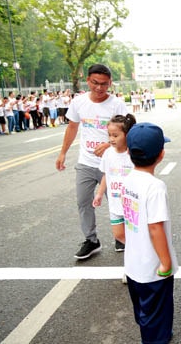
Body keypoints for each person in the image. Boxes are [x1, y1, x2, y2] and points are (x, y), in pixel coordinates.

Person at [56, 64, 129, 260]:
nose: (99, 88)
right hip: (86, 162)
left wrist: (108, 144)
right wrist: (63, 152)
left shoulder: (117, 104)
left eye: (104, 84)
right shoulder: (79, 102)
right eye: (95, 83)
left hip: (113, 163)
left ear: (110, 83)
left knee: (120, 202)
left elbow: (128, 130)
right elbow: (72, 128)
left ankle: (122, 237)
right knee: (83, 202)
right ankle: (91, 240)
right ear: (87, 80)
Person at [121, 122, 178, 344]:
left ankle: (155, 332)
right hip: (153, 267)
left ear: (128, 152)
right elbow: (155, 227)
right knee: (157, 313)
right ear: (161, 154)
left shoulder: (128, 180)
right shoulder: (155, 186)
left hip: (133, 263)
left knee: (144, 310)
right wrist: (166, 262)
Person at [93, 114, 137, 253]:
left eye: (115, 135)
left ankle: (138, 257)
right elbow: (106, 174)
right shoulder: (108, 154)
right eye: (109, 135)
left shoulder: (133, 154)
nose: (111, 139)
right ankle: (136, 252)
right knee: (119, 235)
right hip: (115, 203)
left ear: (126, 134)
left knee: (136, 235)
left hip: (132, 204)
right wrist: (99, 194)